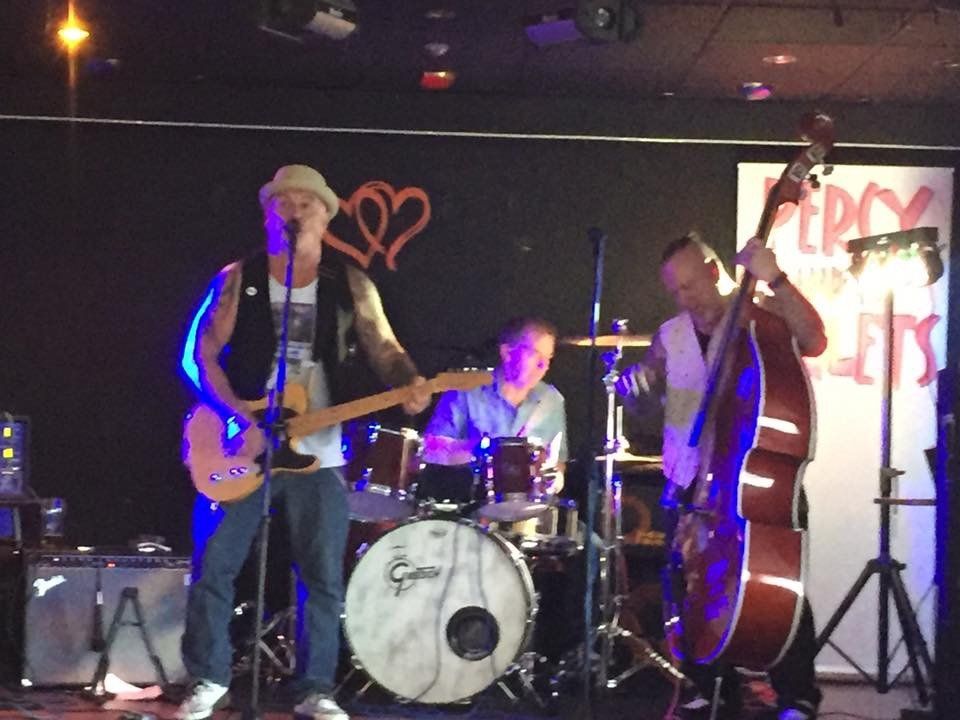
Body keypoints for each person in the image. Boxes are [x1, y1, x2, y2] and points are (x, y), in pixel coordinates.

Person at [177, 164, 430, 720]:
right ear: (269, 215)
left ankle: (315, 688)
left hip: (320, 448)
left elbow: (383, 346)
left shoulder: (349, 283)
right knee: (215, 564)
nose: (294, 212)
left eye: (306, 204)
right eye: (284, 204)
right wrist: (235, 418)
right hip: (244, 444)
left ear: (326, 215)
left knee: (322, 576)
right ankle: (209, 678)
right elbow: (201, 354)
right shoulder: (238, 278)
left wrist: (410, 380)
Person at [616, 232, 827, 720]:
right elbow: (650, 401)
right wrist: (638, 392)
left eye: (690, 286)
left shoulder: (761, 317)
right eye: (675, 291)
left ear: (714, 272)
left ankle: (797, 693)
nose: (684, 299)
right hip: (691, 478)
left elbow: (815, 340)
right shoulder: (670, 335)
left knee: (776, 581)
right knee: (691, 585)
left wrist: (776, 279)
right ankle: (707, 686)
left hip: (751, 476)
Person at [422, 316, 568, 486]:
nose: (543, 365)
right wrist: (485, 451)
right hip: (469, 496)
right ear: (507, 352)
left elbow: (558, 460)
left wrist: (555, 478)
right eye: (534, 354)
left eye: (548, 357)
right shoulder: (466, 389)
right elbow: (431, 449)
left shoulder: (551, 400)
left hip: (528, 500)